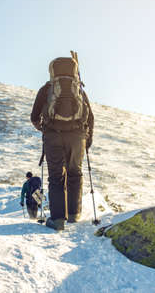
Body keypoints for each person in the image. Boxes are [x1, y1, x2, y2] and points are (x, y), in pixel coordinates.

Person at [30, 54, 94, 231]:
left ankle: (58, 219)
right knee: (75, 173)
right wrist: (87, 141)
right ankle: (74, 214)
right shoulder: (79, 89)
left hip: (53, 136)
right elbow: (91, 117)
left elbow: (34, 116)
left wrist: (45, 130)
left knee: (57, 177)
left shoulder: (47, 89)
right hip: (77, 137)